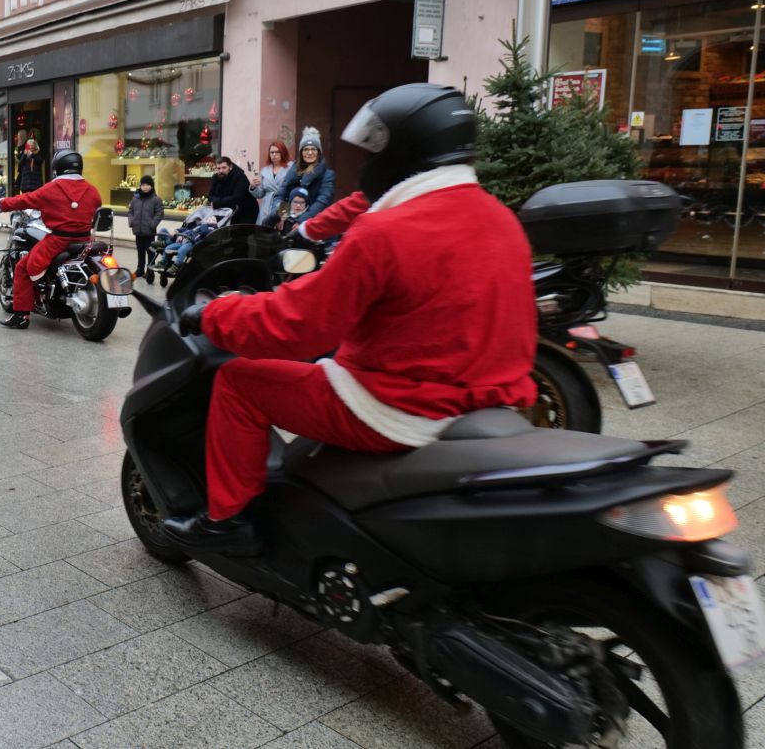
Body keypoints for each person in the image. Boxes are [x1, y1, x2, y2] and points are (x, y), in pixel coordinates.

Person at [162, 84, 537, 553]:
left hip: (398, 408)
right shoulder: (500, 218)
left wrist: (215, 313)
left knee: (238, 382)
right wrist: (309, 233)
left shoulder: (385, 231)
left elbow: (297, 326)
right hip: (485, 398)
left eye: (374, 153)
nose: (366, 164)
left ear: (402, 153)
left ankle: (228, 520)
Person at [0, 149, 101, 329]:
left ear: (58, 167)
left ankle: (21, 316)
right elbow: (97, 203)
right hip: (84, 240)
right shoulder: (91, 189)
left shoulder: (52, 188)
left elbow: (26, 199)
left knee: (22, 267)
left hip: (59, 241)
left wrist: (1, 204)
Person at [276, 128, 334, 222]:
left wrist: (301, 221)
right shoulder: (292, 172)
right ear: (301, 152)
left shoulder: (327, 175)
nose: (310, 153)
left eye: (313, 149)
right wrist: (282, 215)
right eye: (306, 149)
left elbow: (323, 201)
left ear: (318, 152)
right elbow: (280, 196)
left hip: (314, 223)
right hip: (289, 222)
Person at [127, 175, 164, 279]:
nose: (145, 187)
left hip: (149, 231)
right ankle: (140, 269)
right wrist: (132, 222)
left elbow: (159, 214)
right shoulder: (135, 199)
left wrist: (152, 224)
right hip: (138, 230)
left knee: (150, 251)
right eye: (143, 185)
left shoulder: (155, 199)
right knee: (140, 250)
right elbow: (130, 211)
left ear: (151, 186)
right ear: (140, 186)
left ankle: (150, 270)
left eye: (147, 185)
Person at [206, 157, 260, 224]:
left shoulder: (240, 177)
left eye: (224, 168)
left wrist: (217, 203)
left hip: (245, 214)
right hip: (227, 213)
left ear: (230, 167)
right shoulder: (215, 177)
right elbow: (210, 196)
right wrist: (217, 202)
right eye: (218, 168)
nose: (221, 171)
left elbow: (236, 198)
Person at [250, 141, 293, 224]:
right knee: (264, 233)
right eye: (271, 152)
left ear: (283, 152)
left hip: (284, 205)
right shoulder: (264, 170)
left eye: (277, 152)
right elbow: (260, 194)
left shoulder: (291, 168)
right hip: (266, 208)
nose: (274, 155)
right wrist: (253, 187)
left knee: (281, 234)